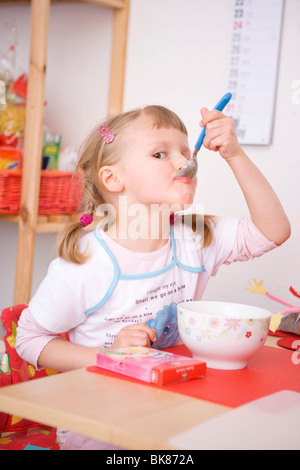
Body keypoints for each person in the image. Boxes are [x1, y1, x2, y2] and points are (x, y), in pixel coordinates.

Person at [16, 104, 291, 449]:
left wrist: (234, 155)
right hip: (100, 428)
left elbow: (274, 231)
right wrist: (106, 359)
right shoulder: (85, 264)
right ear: (113, 179)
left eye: (185, 152)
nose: (183, 163)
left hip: (171, 416)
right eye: (160, 153)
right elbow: (28, 338)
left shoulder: (197, 239)